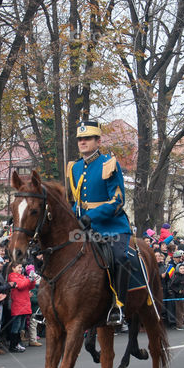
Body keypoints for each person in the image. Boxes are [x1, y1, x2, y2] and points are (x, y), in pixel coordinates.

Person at [68, 119, 134, 325]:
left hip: (111, 227)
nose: (83, 142)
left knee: (119, 257)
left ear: (98, 141)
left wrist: (92, 217)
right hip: (84, 227)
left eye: (87, 138)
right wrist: (70, 219)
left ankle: (119, 306)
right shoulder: (75, 168)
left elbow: (117, 201)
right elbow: (76, 202)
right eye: (80, 139)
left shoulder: (109, 164)